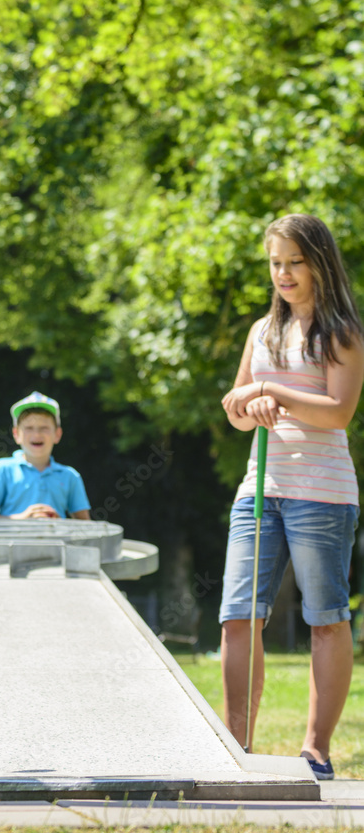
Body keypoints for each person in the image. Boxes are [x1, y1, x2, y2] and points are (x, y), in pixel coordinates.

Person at [220, 214, 364, 779]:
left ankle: (316, 749)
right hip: (260, 487)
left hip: (322, 494)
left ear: (319, 263)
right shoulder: (262, 331)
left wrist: (269, 390)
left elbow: (338, 412)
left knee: (325, 618)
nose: (282, 273)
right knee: (237, 615)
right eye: (275, 262)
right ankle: (236, 745)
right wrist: (246, 405)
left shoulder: (343, 332)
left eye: (294, 262)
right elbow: (235, 406)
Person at [0, 391, 91, 519]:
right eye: (28, 428)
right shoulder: (1, 470)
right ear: (16, 434)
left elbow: (85, 526)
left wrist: (60, 523)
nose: (36, 434)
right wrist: (22, 519)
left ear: (57, 434)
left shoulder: (70, 476)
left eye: (44, 428)